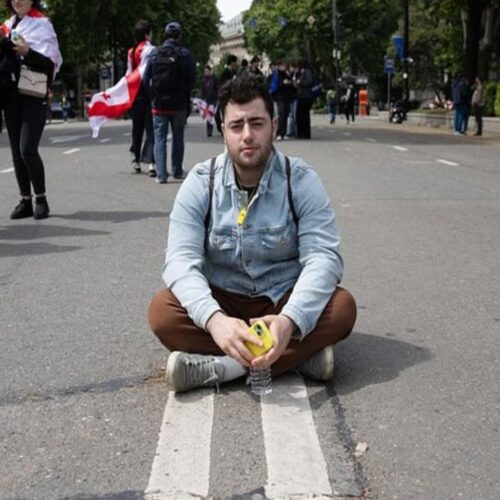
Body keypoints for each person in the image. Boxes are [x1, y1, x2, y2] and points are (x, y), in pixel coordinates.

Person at [148, 74, 357, 393]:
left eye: (257, 124)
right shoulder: (201, 182)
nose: (247, 135)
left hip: (281, 299)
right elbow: (180, 262)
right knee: (163, 313)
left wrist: (289, 320)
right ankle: (297, 359)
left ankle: (222, 368)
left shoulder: (299, 179)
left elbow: (324, 258)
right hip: (224, 298)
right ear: (223, 132)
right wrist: (216, 321)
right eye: (237, 126)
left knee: (342, 308)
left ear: (274, 125)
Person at [0, 0, 62, 220]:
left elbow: (50, 63)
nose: (18, 1)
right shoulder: (7, 25)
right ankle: (25, 199)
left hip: (33, 94)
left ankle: (41, 198)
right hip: (11, 95)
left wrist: (27, 51)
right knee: (16, 151)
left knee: (27, 148)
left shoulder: (42, 24)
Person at [143, 21, 195, 183]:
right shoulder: (185, 54)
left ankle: (161, 175)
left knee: (160, 139)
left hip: (159, 105)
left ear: (165, 35)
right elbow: (192, 80)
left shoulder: (154, 54)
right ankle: (177, 170)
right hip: (179, 104)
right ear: (179, 36)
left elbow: (145, 80)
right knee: (178, 138)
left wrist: (153, 96)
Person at [127, 19, 155, 176]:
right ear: (147, 34)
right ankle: (151, 162)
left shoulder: (131, 52)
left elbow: (129, 73)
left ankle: (136, 159)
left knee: (136, 128)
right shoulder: (152, 50)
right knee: (150, 128)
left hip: (135, 92)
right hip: (149, 92)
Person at [270, 60, 295, 141]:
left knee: (286, 114)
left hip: (287, 97)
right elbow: (275, 86)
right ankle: (278, 132)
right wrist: (283, 83)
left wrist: (290, 82)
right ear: (279, 66)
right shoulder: (276, 74)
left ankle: (283, 133)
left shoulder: (286, 74)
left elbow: (291, 83)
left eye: (284, 65)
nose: (284, 67)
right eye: (282, 65)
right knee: (281, 114)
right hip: (279, 97)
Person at [215, 54, 238, 134]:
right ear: (231, 63)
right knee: (223, 113)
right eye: (234, 62)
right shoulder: (225, 73)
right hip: (226, 95)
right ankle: (223, 128)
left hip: (233, 96)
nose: (235, 64)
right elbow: (223, 84)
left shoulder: (234, 72)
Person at [295, 61, 314, 138]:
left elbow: (309, 82)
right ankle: (301, 133)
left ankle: (305, 133)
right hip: (301, 96)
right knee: (300, 115)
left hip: (305, 96)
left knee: (304, 115)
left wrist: (300, 82)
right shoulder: (301, 73)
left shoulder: (307, 72)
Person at [200, 64, 218, 137]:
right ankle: (209, 131)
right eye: (205, 71)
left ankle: (216, 128)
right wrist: (202, 98)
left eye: (207, 71)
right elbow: (202, 90)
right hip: (207, 100)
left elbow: (217, 88)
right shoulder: (204, 80)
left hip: (214, 99)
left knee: (213, 115)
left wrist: (217, 97)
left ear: (210, 71)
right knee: (208, 116)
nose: (206, 72)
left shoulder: (214, 79)